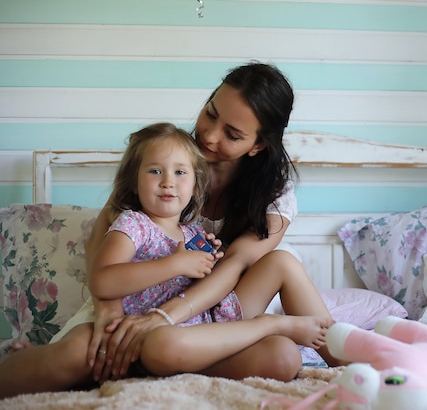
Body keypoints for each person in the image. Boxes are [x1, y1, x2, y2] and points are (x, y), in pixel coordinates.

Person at [0, 63, 339, 398]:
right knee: (79, 355)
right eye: (210, 113)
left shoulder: (273, 197)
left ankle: (348, 361)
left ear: (257, 146)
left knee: (282, 349)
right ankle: (152, 359)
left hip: (210, 309)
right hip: (135, 302)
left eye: (232, 134)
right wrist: (109, 308)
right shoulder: (165, 159)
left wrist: (165, 316)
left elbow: (233, 265)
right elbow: (102, 248)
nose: (209, 134)